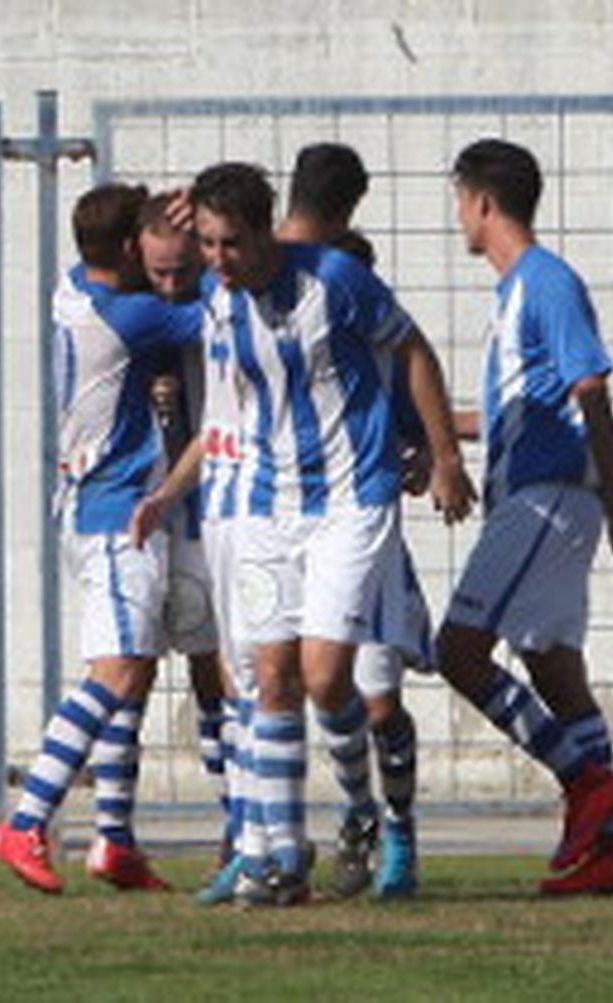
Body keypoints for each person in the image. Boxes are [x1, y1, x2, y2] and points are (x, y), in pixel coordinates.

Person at [132, 162, 473, 907]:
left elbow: (413, 352)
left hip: (351, 502)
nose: (216, 260)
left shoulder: (336, 282)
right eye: (208, 244)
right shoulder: (217, 298)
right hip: (263, 506)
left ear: (266, 233)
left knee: (327, 678)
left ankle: (363, 808)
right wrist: (167, 493)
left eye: (229, 244)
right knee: (270, 676)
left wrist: (445, 455)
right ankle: (282, 861)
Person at [434, 138, 613, 895]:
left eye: (459, 201)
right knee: (554, 668)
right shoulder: (513, 294)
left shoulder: (546, 282)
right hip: (540, 494)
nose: (458, 217)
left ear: (482, 202)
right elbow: (508, 415)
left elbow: (592, 392)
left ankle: (585, 782)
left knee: (458, 651)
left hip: (547, 496)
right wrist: (427, 433)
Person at [0, 183, 203, 894]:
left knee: (136, 673)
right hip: (118, 512)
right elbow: (221, 312)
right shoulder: (134, 315)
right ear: (130, 248)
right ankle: (26, 820)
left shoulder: (74, 286)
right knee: (114, 671)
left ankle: (114, 839)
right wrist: (212, 247)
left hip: (90, 503)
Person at [277, 142, 430, 900]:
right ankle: (346, 813)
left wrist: (433, 448)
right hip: (289, 516)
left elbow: (412, 395)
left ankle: (396, 828)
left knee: (376, 696)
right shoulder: (266, 298)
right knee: (302, 683)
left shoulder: (365, 321)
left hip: (363, 523)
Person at [136, 196, 245, 874]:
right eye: (159, 273)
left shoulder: (224, 301)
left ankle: (248, 820)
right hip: (163, 514)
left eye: (184, 271)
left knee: (233, 669)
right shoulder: (131, 312)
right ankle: (230, 815)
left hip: (228, 505)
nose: (172, 285)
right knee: (173, 667)